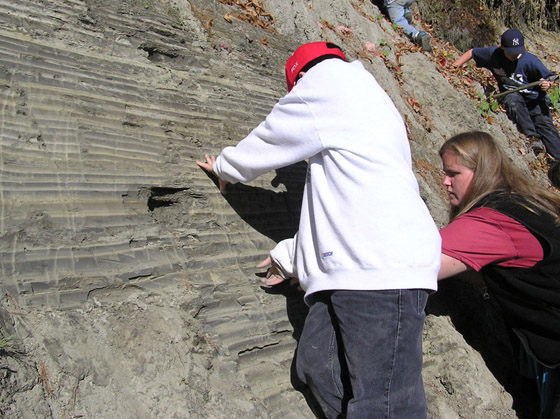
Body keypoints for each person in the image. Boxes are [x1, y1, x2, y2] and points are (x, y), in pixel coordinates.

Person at [197, 42, 441, 418]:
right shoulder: (368, 99)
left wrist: (225, 167)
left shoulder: (325, 84)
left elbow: (270, 139)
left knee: (387, 406)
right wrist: (294, 256)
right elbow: (345, 201)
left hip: (381, 272)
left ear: (298, 77)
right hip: (362, 266)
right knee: (316, 365)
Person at [438, 131, 560, 419]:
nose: (444, 182)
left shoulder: (491, 221)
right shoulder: (525, 202)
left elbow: (415, 262)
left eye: (453, 173)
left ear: (480, 173)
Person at [453, 29, 560, 161]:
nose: (515, 55)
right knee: (512, 100)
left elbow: (550, 78)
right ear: (502, 47)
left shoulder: (530, 61)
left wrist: (546, 83)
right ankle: (533, 137)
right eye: (511, 53)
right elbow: (472, 52)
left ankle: (557, 161)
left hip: (535, 100)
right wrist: (455, 65)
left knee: (546, 126)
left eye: (518, 52)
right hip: (513, 95)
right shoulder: (494, 55)